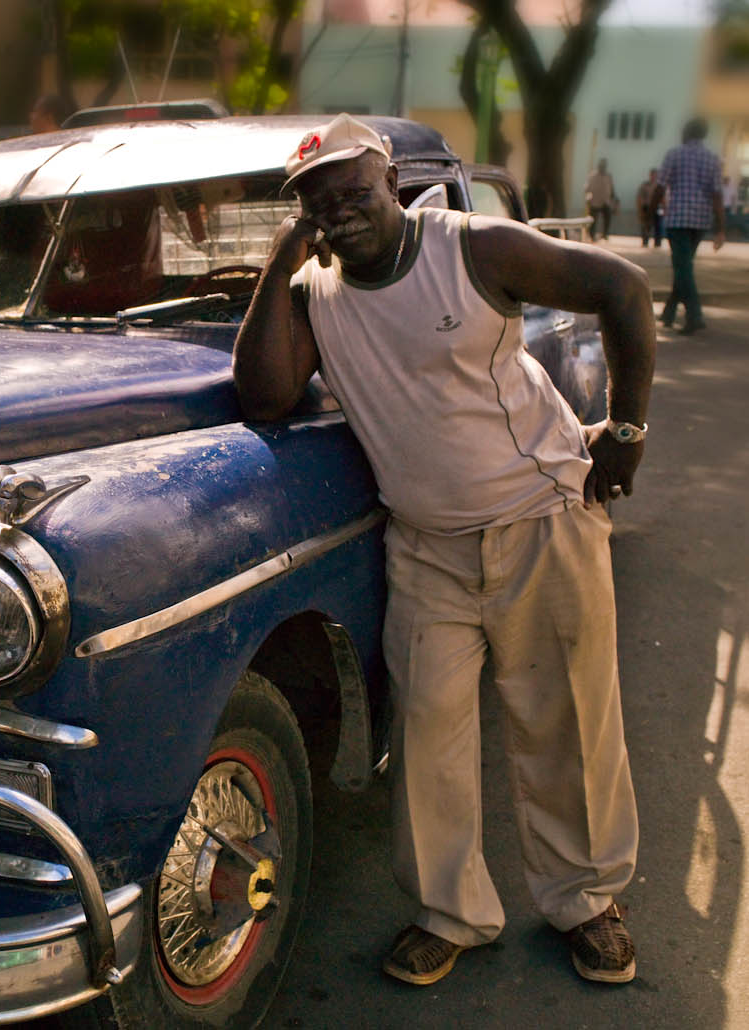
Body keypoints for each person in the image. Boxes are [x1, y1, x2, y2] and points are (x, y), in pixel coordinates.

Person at [234, 113, 653, 987]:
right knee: (428, 736)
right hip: (426, 544)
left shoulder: (471, 248)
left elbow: (621, 287)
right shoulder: (316, 294)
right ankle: (452, 912)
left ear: (391, 180)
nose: (338, 207)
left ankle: (585, 902)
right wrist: (283, 257)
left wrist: (626, 428)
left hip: (541, 516)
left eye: (353, 186)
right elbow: (265, 394)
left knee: (566, 722)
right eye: (317, 198)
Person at [658, 117, 725, 334]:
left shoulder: (675, 154)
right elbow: (717, 194)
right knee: (684, 267)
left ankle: (694, 315)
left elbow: (660, 186)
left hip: (678, 219)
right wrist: (720, 227)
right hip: (700, 221)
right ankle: (669, 312)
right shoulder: (712, 158)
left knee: (683, 267)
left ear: (686, 132)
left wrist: (650, 213)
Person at [584, 158, 617, 241]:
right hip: (594, 201)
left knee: (607, 217)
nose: (602, 167)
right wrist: (588, 197)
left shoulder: (608, 176)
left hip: (605, 202)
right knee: (593, 220)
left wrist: (613, 200)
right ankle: (592, 235)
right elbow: (587, 188)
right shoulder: (592, 175)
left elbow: (611, 189)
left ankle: (605, 234)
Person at [635, 169, 664, 248]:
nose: (654, 176)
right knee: (646, 225)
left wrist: (664, 208)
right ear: (650, 175)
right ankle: (645, 241)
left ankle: (657, 243)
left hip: (658, 209)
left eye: (655, 175)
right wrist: (641, 207)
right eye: (652, 174)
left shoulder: (660, 186)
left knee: (658, 225)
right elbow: (640, 196)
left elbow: (664, 198)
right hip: (647, 208)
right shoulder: (645, 185)